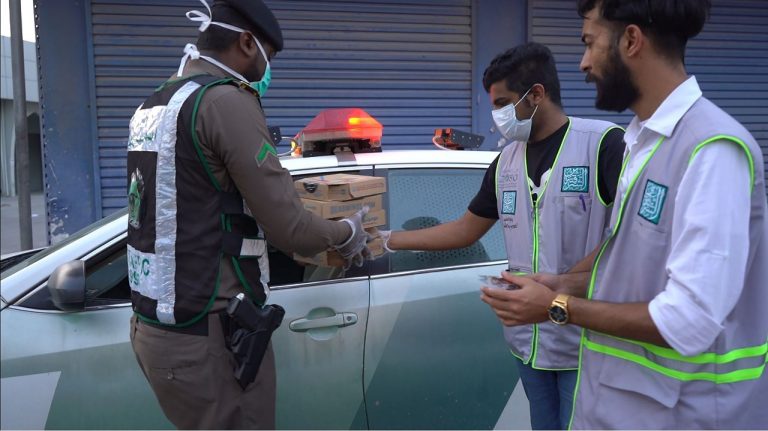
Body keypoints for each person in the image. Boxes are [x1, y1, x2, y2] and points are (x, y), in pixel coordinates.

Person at [480, 0, 768, 429]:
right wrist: (561, 283)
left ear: (631, 40)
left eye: (590, 43)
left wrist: (557, 306)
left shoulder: (712, 150)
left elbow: (688, 321)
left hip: (687, 416)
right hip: (631, 409)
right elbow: (636, 268)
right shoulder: (641, 143)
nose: (583, 63)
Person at [125, 0, 371, 428]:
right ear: (245, 43)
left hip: (156, 327)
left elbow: (192, 202)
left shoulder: (157, 102)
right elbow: (291, 229)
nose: (268, 70)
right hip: (210, 336)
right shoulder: (224, 101)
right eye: (268, 56)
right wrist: (346, 233)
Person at [377, 42, 625, 430]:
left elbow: (627, 235)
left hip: (586, 341)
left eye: (503, 103)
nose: (497, 116)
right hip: (528, 344)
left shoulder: (603, 145)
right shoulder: (506, 161)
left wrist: (563, 283)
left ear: (536, 94)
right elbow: (465, 229)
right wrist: (386, 239)